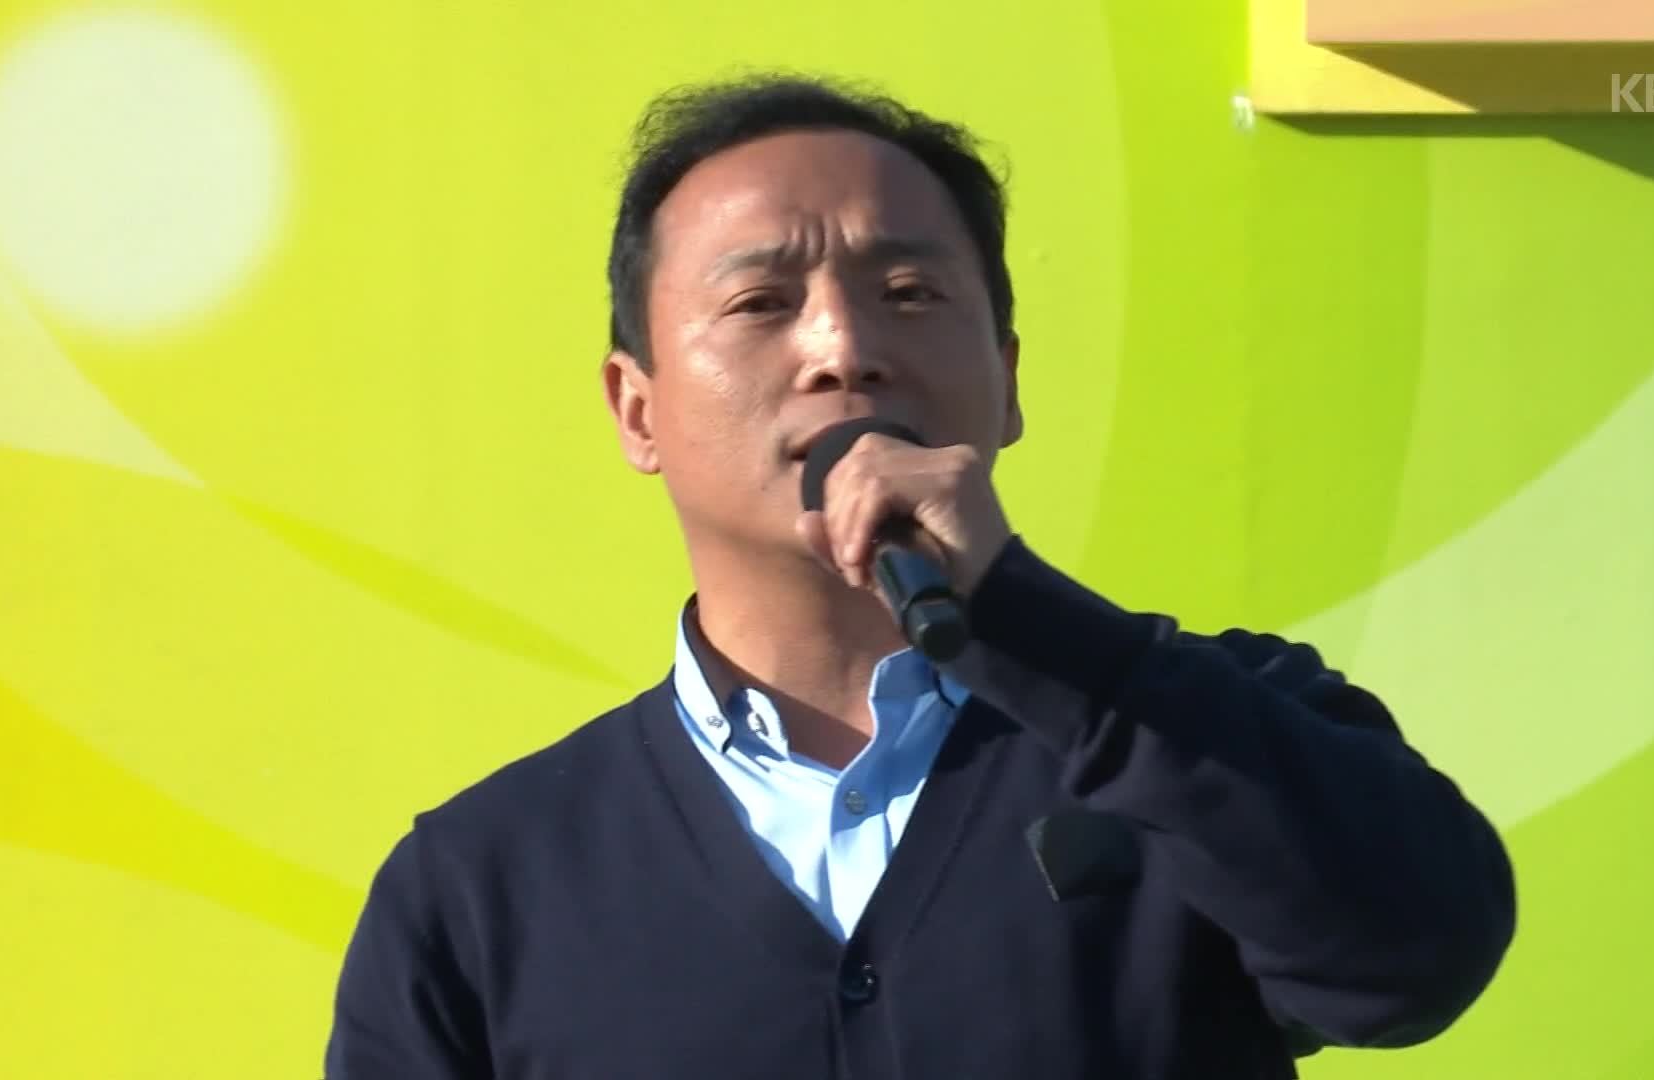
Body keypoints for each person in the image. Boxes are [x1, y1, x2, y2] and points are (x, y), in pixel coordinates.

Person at [324, 73, 1516, 1080]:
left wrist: (1033, 626)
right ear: (637, 410)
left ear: (1007, 381)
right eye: (761, 302)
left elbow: (1412, 962)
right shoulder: (481, 884)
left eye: (909, 295)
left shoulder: (1205, 723)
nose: (844, 348)